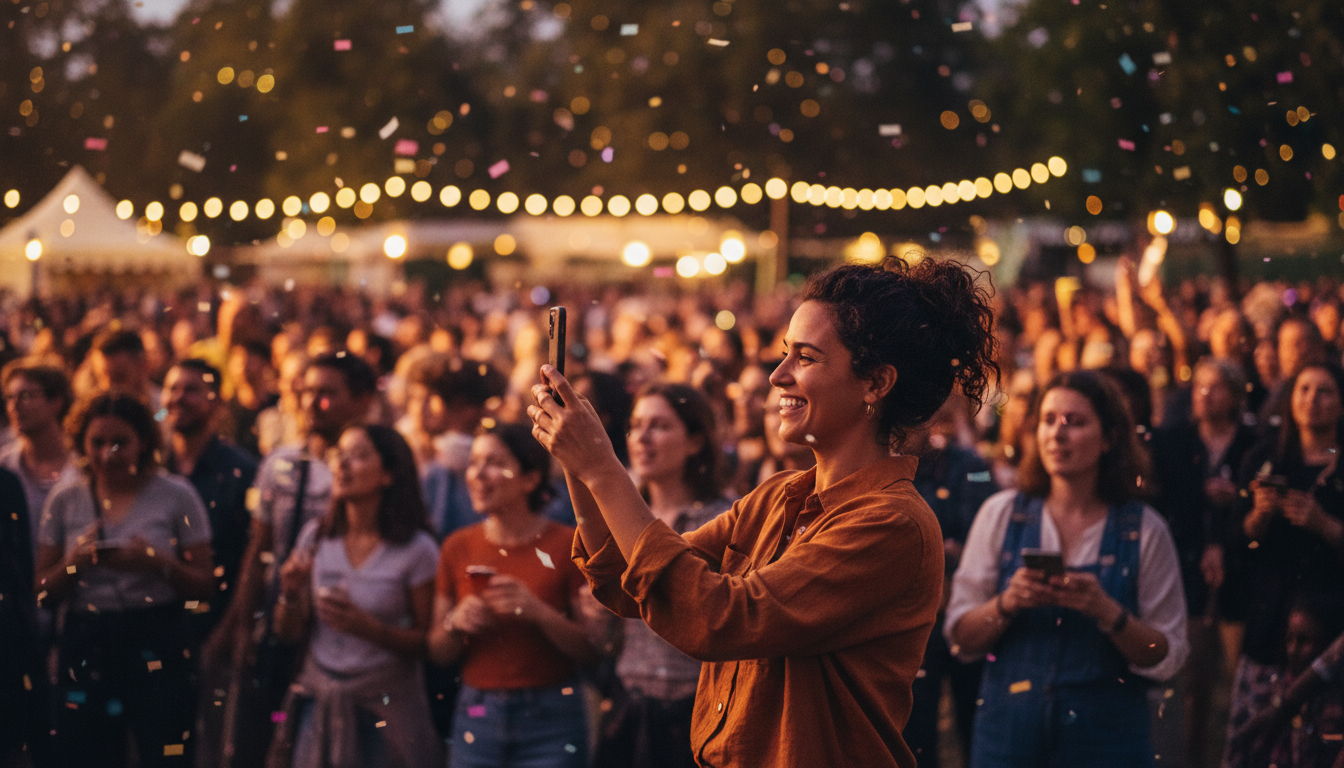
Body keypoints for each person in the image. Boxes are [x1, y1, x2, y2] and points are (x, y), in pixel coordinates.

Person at [530, 256, 999, 767]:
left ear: (875, 383)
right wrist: (575, 460)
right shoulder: (777, 497)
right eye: (784, 355)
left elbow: (719, 618)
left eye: (806, 357)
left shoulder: (892, 523)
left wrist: (602, 467)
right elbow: (629, 582)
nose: (778, 375)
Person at [945, 369, 1189, 768]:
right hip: (1008, 737)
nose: (1056, 434)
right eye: (1048, 420)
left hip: (1107, 743)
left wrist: (1108, 613)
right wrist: (1007, 603)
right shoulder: (1002, 514)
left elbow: (1164, 655)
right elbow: (961, 638)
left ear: (1109, 438)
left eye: (1074, 422)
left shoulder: (1143, 530)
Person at [36, 393, 217, 768]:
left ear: (144, 443)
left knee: (165, 749)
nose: (107, 454)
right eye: (97, 442)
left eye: (120, 442)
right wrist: (76, 564)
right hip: (87, 637)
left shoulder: (176, 495)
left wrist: (156, 564)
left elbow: (204, 585)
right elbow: (41, 591)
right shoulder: (66, 498)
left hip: (157, 636)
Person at [215, 351, 377, 767]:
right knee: (254, 742)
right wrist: (242, 624)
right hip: (279, 622)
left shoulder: (375, 466)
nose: (311, 403)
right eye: (307, 392)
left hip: (340, 634)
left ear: (361, 401)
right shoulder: (281, 463)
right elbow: (258, 551)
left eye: (327, 393)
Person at [427, 423, 600, 768]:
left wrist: (537, 612)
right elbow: (437, 652)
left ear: (530, 479)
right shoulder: (457, 546)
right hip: (477, 710)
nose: (478, 474)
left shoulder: (568, 545)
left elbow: (594, 650)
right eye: (474, 462)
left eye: (493, 462)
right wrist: (455, 622)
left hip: (552, 713)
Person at [269, 425, 442, 768]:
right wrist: (289, 595)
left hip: (387, 707)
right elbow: (288, 633)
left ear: (389, 474)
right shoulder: (317, 537)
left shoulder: (417, 549)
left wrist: (370, 630)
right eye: (339, 455)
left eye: (360, 456)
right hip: (319, 701)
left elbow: (429, 644)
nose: (343, 465)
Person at [596, 383, 734, 768]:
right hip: (629, 701)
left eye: (659, 425)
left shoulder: (726, 520)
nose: (641, 437)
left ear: (695, 441)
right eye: (636, 424)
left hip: (698, 707)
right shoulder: (616, 518)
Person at [1148, 357, 1259, 768]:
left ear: (1234, 395)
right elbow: (1169, 503)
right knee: (1193, 682)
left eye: (1215, 388)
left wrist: (1238, 501)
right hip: (1188, 568)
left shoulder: (1253, 443)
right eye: (1199, 387)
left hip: (1241, 571)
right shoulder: (1175, 441)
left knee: (1239, 680)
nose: (1204, 395)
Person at [1230, 362, 1344, 757]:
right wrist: (1257, 518)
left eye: (1325, 391)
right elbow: (1238, 545)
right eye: (1304, 389)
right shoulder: (1265, 459)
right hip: (1270, 623)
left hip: (1332, 629)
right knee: (1255, 746)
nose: (1313, 400)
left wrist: (1325, 525)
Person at [0, 360, 79, 558]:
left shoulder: (83, 466)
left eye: (26, 396)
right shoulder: (4, 465)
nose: (14, 406)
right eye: (10, 397)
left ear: (56, 402)